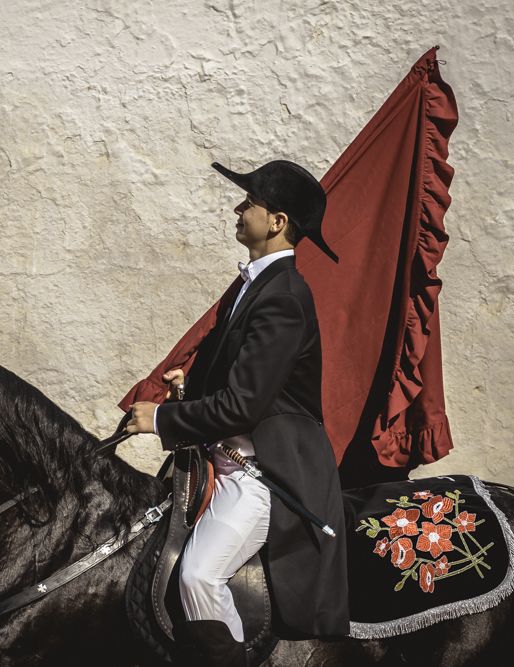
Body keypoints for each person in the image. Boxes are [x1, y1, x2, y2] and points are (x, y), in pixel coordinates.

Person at [126, 160, 349, 666]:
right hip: (218, 463)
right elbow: (240, 382)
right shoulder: (253, 286)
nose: (237, 207)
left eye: (249, 202)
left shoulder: (286, 297)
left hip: (266, 475)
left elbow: (244, 405)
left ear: (276, 221)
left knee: (199, 574)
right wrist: (189, 389)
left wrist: (158, 420)